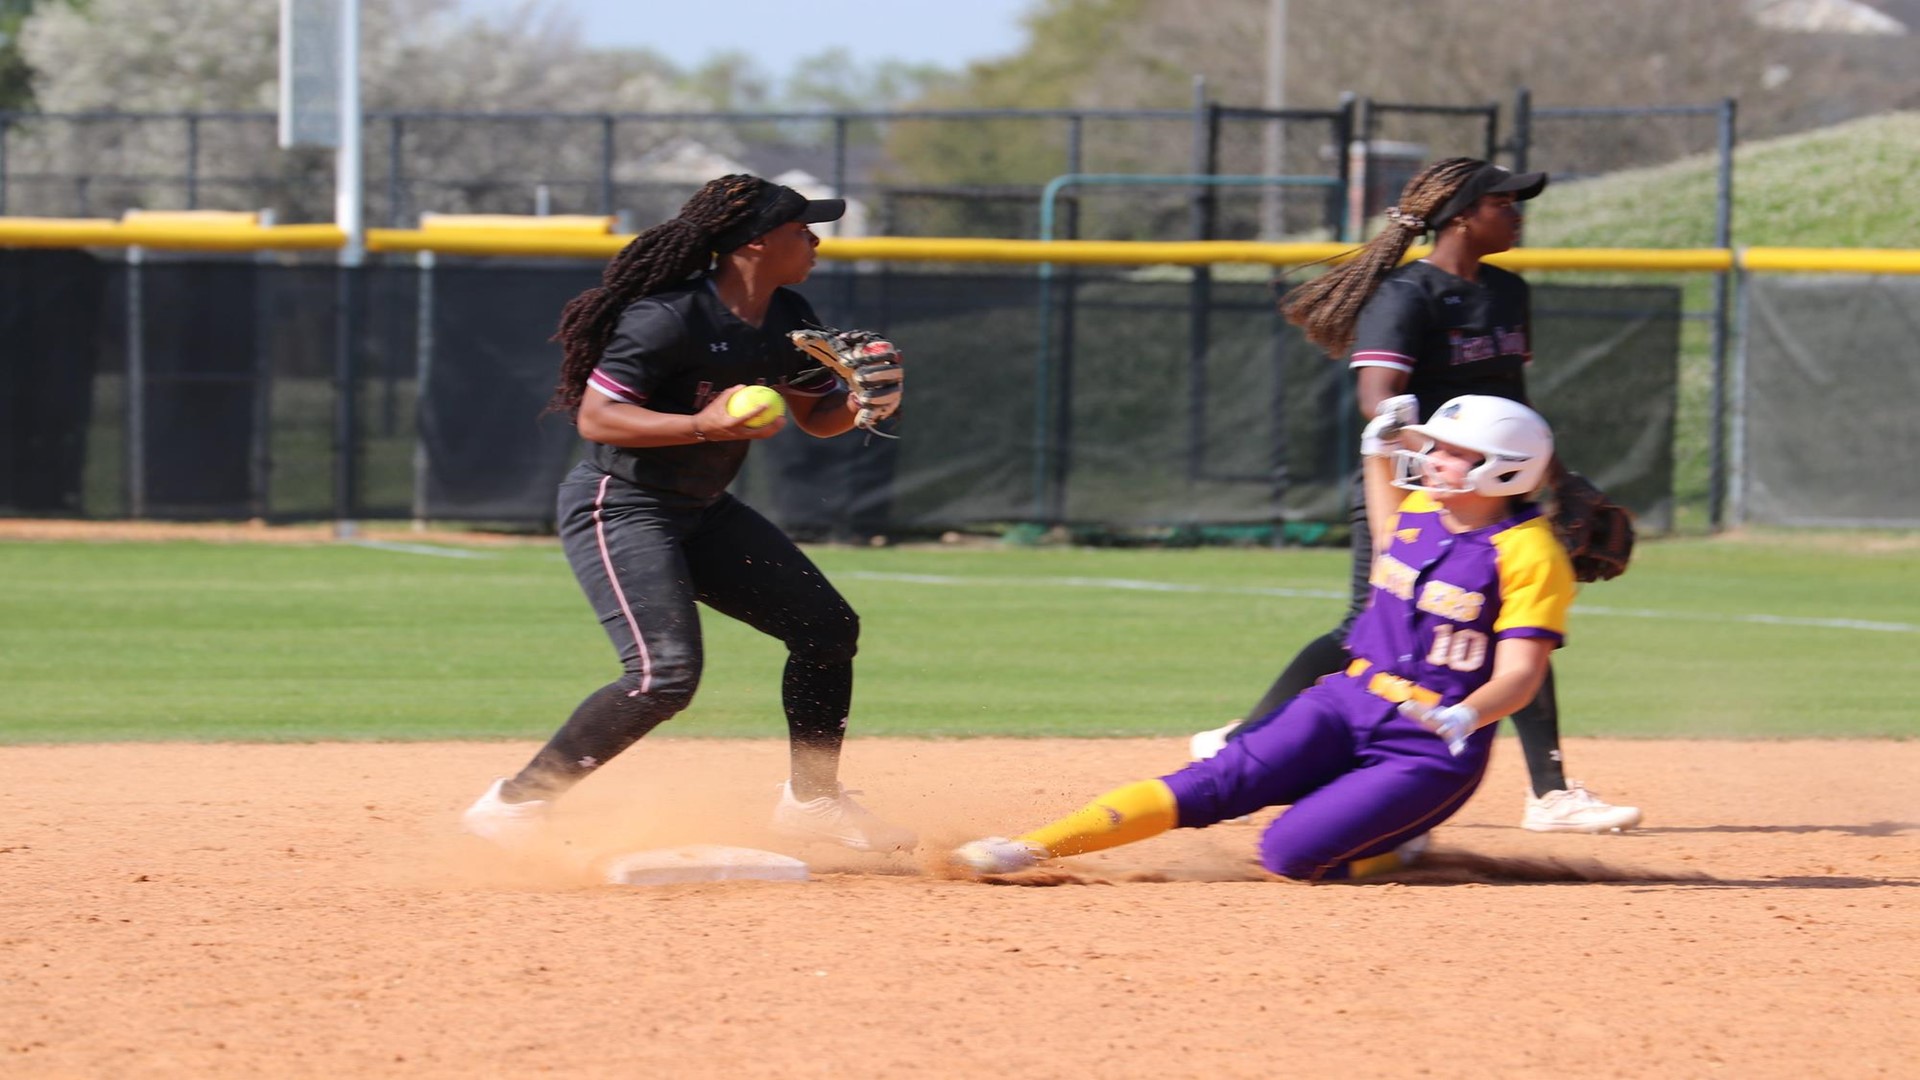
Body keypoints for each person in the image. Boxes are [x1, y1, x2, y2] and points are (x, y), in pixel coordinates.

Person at [460, 173, 915, 853]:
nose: (815, 240)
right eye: (801, 229)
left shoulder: (789, 316)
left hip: (702, 511)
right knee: (662, 676)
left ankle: (813, 802)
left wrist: (866, 399)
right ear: (756, 242)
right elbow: (598, 416)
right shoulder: (669, 317)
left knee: (826, 630)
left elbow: (817, 419)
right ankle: (516, 805)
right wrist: (702, 425)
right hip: (622, 507)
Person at [1190, 157, 1640, 834]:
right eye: (1505, 201)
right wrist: (1422, 455)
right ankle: (1244, 740)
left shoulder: (1508, 293)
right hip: (1420, 486)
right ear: (1462, 212)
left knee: (1514, 627)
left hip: (1496, 486)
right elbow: (1378, 398)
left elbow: (1514, 405)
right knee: (1362, 628)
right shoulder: (1408, 295)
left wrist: (1558, 476)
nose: (1517, 212)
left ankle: (1550, 792)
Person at [954, 395, 1573, 879]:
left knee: (1288, 855)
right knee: (1208, 785)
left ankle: (1396, 847)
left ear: (1502, 468)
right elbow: (1390, 544)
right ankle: (1031, 848)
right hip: (1347, 699)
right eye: (1434, 445)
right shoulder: (1422, 511)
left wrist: (1468, 715)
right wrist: (1374, 449)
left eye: (1451, 451)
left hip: (1428, 745)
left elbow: (1521, 674)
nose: (1432, 456)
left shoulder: (1528, 553)